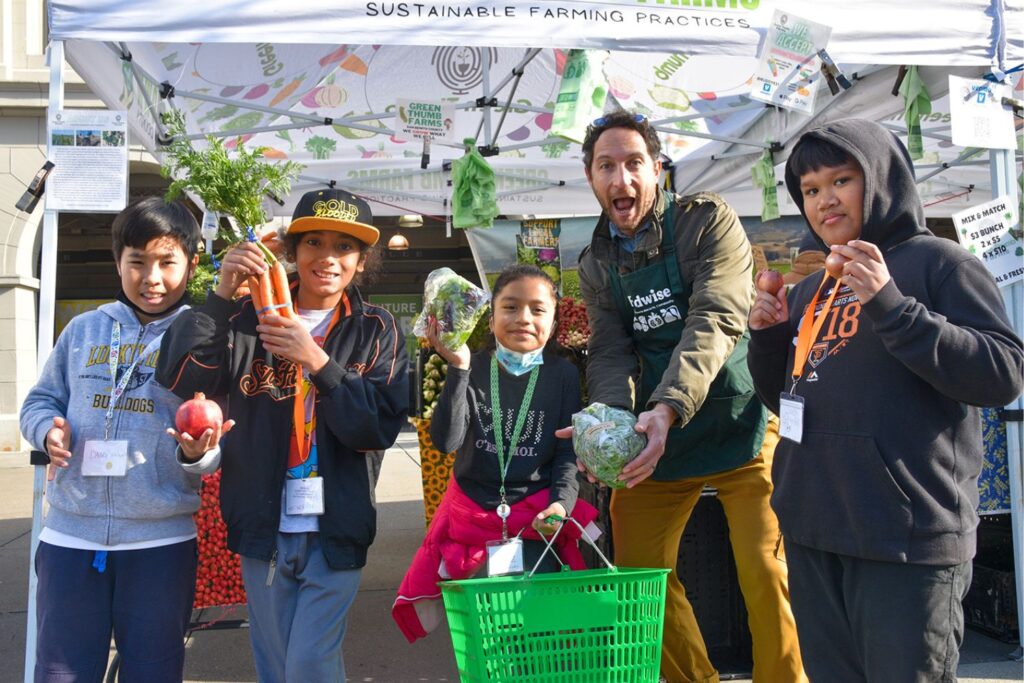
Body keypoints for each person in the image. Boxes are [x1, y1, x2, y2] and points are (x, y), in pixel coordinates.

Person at [747, 118, 1024, 681]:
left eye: (841, 180)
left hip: (905, 538)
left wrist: (893, 307)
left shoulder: (941, 263)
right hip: (814, 530)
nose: (825, 200)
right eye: (810, 189)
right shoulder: (813, 286)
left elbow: (1002, 374)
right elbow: (789, 400)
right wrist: (770, 337)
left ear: (881, 178)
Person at [568, 110, 805, 682]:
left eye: (633, 163)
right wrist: (607, 426)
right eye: (606, 166)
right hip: (657, 440)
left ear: (657, 170)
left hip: (739, 418)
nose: (621, 178)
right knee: (639, 578)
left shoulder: (706, 222)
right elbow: (610, 353)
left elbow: (715, 317)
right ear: (591, 177)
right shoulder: (596, 262)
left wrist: (668, 406)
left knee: (766, 569)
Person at [156, 188, 409, 682]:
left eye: (344, 246)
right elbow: (181, 375)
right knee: (276, 667)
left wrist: (316, 360)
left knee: (309, 664)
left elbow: (376, 428)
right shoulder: (249, 316)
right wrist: (221, 294)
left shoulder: (377, 329)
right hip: (263, 522)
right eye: (314, 242)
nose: (328, 257)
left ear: (361, 261)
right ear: (292, 250)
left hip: (337, 524)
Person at [19, 197, 229, 682]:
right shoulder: (83, 330)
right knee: (61, 671)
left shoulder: (201, 340)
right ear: (118, 262)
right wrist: (46, 430)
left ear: (191, 264)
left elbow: (215, 444)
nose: (151, 278)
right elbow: (40, 401)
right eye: (137, 262)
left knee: (153, 670)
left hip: (160, 542)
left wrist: (197, 455)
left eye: (166, 262)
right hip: (70, 535)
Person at [392, 264, 599, 642]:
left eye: (538, 309)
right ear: (491, 319)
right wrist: (458, 368)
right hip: (473, 524)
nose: (524, 318)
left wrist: (561, 503)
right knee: (487, 638)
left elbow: (566, 452)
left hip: (536, 523)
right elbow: (447, 442)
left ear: (553, 324)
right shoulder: (472, 366)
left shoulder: (563, 375)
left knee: (539, 637)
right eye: (510, 307)